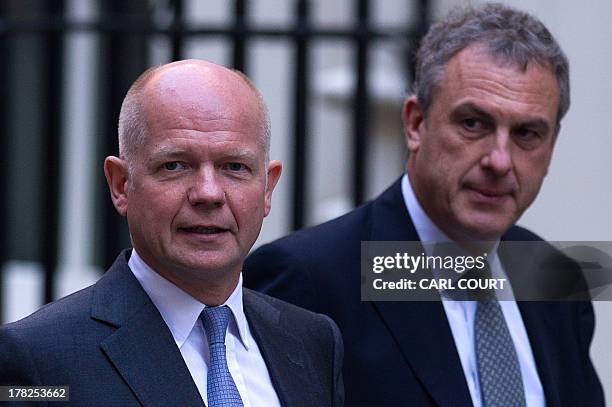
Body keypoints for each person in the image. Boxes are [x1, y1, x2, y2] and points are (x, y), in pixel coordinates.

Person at [244, 4, 603, 407]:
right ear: (415, 123)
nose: (499, 160)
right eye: (473, 123)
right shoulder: (309, 279)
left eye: (526, 133)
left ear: (551, 145)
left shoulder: (553, 276)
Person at [0, 60, 344, 407]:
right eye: (175, 165)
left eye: (234, 167)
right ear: (121, 184)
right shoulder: (39, 358)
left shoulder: (313, 342)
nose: (208, 193)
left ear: (267, 188)